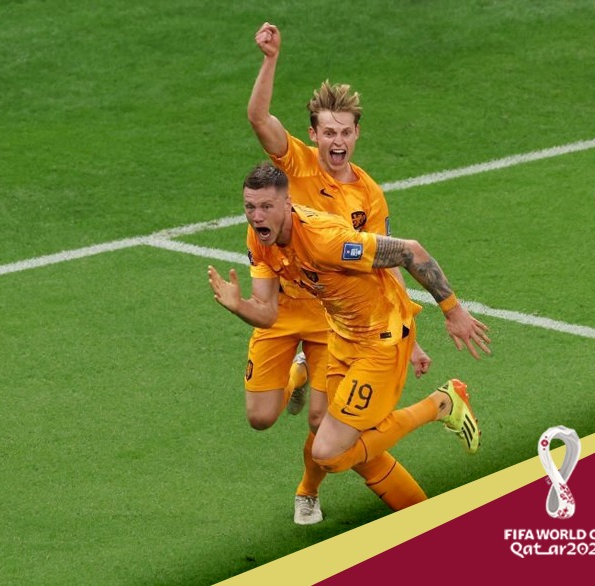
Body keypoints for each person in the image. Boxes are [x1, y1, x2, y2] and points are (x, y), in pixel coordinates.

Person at [242, 21, 432, 525]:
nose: (337, 141)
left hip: (338, 317)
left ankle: (307, 492)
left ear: (356, 134)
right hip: (285, 302)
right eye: (329, 132)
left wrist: (410, 334)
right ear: (314, 135)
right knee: (261, 417)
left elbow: (386, 266)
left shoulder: (368, 195)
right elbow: (258, 117)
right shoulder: (296, 165)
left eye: (345, 132)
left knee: (324, 425)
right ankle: (299, 372)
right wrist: (270, 59)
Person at [208, 163, 489, 499]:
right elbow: (267, 313)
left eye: (266, 206)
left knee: (329, 453)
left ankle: (441, 403)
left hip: (381, 341)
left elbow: (409, 251)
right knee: (325, 428)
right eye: (250, 207)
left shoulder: (326, 241)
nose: (257, 217)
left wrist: (453, 310)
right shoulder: (259, 237)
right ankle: (424, 517)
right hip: (342, 336)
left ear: (287, 203)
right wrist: (238, 306)